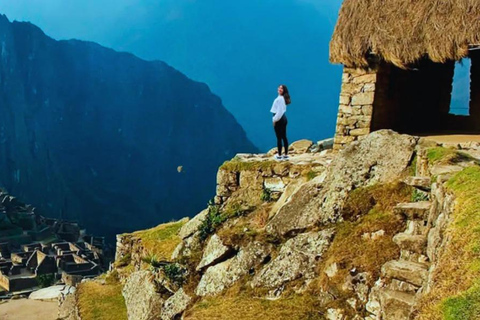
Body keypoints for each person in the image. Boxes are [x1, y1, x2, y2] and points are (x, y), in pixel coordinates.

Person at [270, 84, 291, 160]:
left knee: (279, 137)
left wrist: (274, 120)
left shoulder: (279, 99)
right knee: (284, 136)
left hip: (279, 118)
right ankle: (285, 154)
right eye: (279, 87)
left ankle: (279, 155)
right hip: (283, 118)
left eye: (281, 88)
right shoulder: (283, 98)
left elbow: (279, 112)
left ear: (284, 90)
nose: (279, 89)